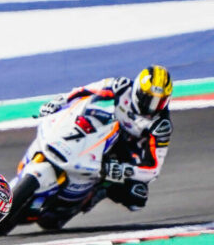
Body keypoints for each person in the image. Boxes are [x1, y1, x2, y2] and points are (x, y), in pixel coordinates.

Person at [36, 65, 173, 211]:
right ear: (137, 90)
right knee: (78, 117)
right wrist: (61, 100)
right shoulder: (121, 86)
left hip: (126, 154)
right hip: (106, 127)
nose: (151, 106)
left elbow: (153, 168)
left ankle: (98, 192)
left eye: (159, 101)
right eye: (147, 98)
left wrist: (124, 170)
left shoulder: (161, 125)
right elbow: (86, 90)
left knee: (137, 197)